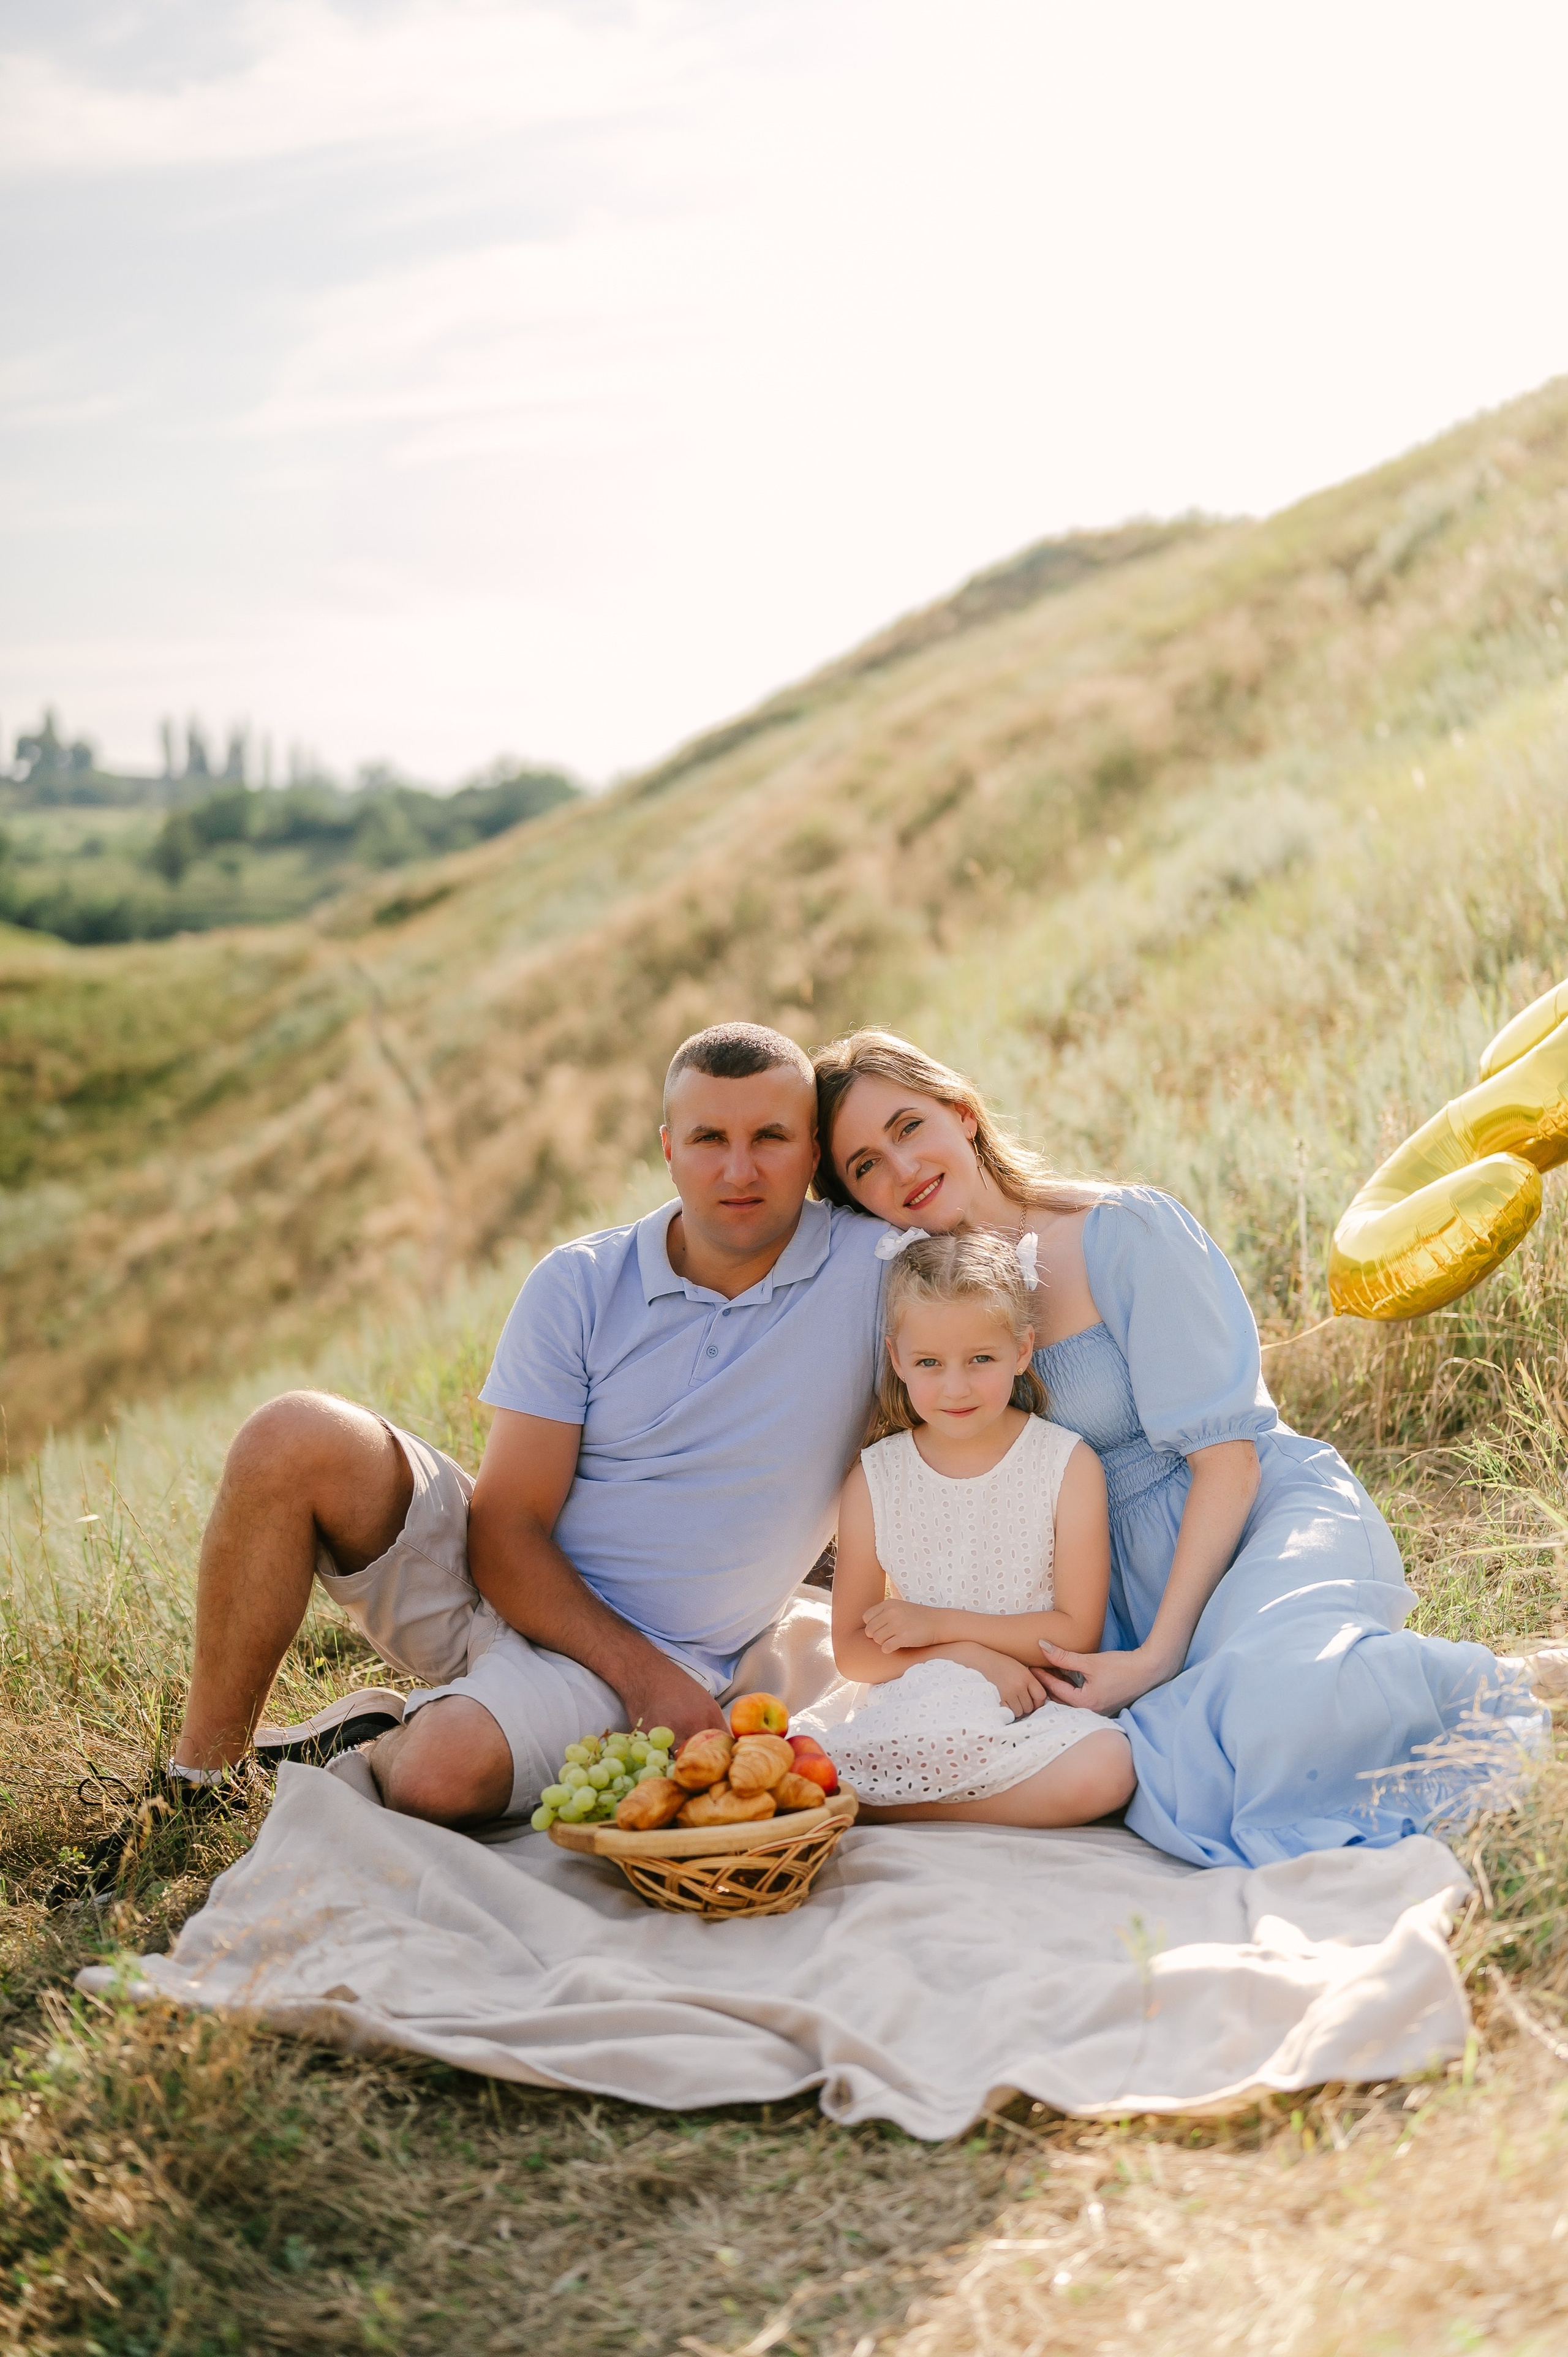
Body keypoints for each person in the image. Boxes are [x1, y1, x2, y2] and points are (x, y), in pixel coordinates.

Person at [123, 1022, 886, 1855]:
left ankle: (380, 1736)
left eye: (770, 1138)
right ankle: (196, 1784)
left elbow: (1024, 1256)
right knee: (291, 1432)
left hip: (642, 1651)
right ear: (668, 1148)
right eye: (709, 1138)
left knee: (434, 1780)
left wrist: (648, 1671)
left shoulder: (877, 1270)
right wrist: (645, 1683)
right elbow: (507, 1525)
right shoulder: (582, 1282)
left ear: (814, 1150)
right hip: (506, 1589)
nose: (739, 1170)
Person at [813, 1027, 1544, 1868]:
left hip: (1244, 1524)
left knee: (1270, 1698)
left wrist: (1157, 1656)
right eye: (864, 1164)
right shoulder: (921, 1310)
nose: (900, 1169)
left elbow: (1226, 1461)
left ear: (963, 1113)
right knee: (1167, 1754)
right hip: (1100, 1592)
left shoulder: (1121, 1232)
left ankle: (1477, 1688)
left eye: (908, 1127)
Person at [820, 1227, 1134, 1826]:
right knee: (813, 1754)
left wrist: (937, 1623)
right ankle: (901, 1793)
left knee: (1108, 1765)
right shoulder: (875, 1477)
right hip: (916, 1699)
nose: (955, 1386)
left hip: (1027, 1704)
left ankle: (897, 1807)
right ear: (897, 1358)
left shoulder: (1066, 1465)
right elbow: (854, 1653)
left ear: (1021, 1349)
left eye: (980, 1359)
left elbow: (1075, 1632)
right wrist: (965, 1654)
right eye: (929, 1363)